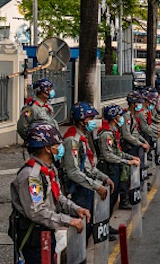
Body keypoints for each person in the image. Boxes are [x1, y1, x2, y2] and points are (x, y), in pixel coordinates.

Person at [10, 123, 90, 264]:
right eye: (57, 144)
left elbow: (57, 196)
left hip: (47, 232)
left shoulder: (48, 169)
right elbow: (36, 211)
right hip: (34, 238)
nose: (61, 147)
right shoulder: (31, 176)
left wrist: (76, 209)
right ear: (47, 148)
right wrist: (68, 220)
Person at [61, 102, 113, 241]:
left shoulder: (83, 137)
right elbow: (73, 172)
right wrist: (97, 186)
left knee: (88, 226)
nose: (92, 122)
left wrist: (104, 178)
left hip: (86, 187)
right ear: (80, 120)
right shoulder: (72, 140)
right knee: (80, 231)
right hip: (77, 190)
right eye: (89, 119)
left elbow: (88, 167)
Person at [96, 105, 141, 240]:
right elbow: (108, 155)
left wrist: (130, 157)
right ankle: (102, 229)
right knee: (107, 201)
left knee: (113, 198)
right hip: (108, 168)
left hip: (114, 167)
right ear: (115, 119)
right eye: (120, 116)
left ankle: (107, 226)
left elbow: (118, 152)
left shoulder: (113, 131)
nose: (122, 118)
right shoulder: (106, 134)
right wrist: (127, 162)